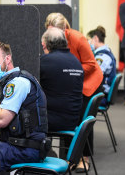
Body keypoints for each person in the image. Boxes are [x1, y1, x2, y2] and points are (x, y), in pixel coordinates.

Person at [45, 13, 103, 172]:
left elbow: (91, 64)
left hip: (89, 80)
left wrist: (68, 71)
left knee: (82, 115)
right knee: (66, 111)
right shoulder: (50, 40)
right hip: (72, 78)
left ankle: (83, 158)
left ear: (65, 29)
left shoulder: (77, 38)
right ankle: (69, 157)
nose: (53, 36)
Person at [0, 42, 49, 171]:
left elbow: (1, 120)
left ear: (7, 59)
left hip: (26, 149)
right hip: (20, 146)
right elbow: (7, 121)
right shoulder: (12, 81)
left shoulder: (17, 84)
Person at [40, 27, 84, 158]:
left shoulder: (45, 62)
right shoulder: (76, 62)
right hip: (73, 120)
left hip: (54, 121)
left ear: (44, 45)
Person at [87, 26, 117, 106]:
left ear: (95, 38)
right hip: (102, 93)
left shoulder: (102, 56)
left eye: (89, 40)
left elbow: (94, 75)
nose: (88, 43)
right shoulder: (106, 52)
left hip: (101, 96)